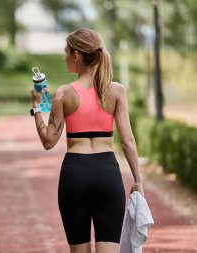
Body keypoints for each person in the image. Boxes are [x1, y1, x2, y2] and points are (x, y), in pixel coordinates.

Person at [30, 28, 145, 253]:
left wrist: (36, 108)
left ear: (76, 55)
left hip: (75, 175)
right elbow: (128, 141)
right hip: (107, 174)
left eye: (66, 52)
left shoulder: (63, 94)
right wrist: (138, 180)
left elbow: (48, 141)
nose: (64, 57)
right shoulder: (116, 91)